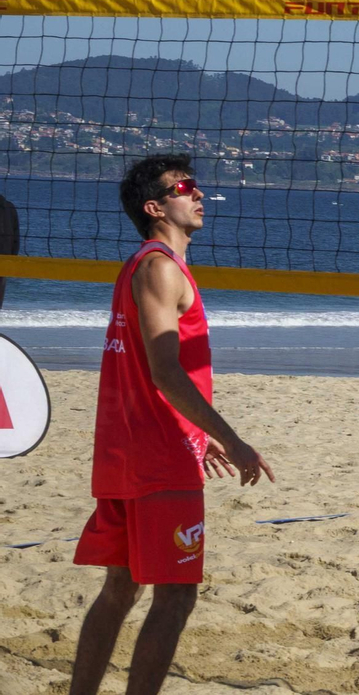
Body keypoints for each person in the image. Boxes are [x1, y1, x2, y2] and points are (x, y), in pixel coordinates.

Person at [69, 154, 274, 695]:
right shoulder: (160, 267)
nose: (198, 193)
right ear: (155, 206)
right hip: (157, 460)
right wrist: (234, 439)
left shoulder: (141, 265)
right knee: (176, 595)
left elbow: (146, 370)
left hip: (128, 451)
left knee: (120, 588)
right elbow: (164, 372)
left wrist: (198, 433)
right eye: (184, 187)